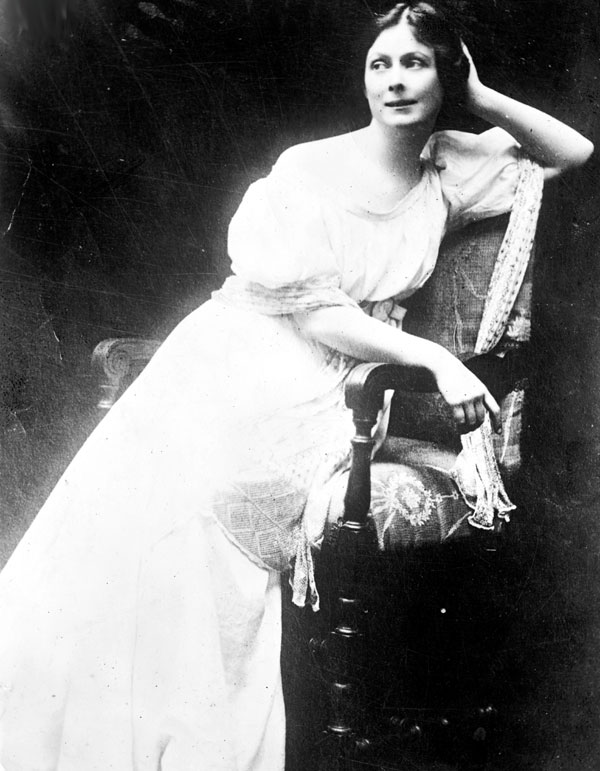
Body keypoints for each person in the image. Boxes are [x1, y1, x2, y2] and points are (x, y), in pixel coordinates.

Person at [0, 2, 593, 769]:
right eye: (380, 64)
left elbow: (571, 152)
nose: (395, 80)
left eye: (415, 63)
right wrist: (436, 359)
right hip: (237, 360)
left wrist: (478, 95)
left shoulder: (448, 170)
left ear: (444, 75)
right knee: (158, 511)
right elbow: (316, 312)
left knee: (211, 529)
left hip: (341, 390)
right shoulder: (309, 168)